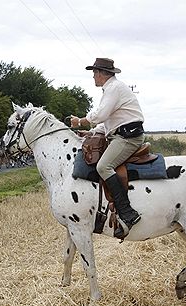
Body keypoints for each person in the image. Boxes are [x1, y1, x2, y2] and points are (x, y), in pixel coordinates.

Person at [69, 58, 145, 239]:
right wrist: (90, 132)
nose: (93, 76)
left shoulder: (114, 89)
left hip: (127, 136)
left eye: (95, 72)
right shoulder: (111, 90)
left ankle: (127, 212)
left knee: (103, 166)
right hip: (121, 133)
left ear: (103, 74)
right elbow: (108, 122)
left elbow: (101, 114)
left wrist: (80, 121)